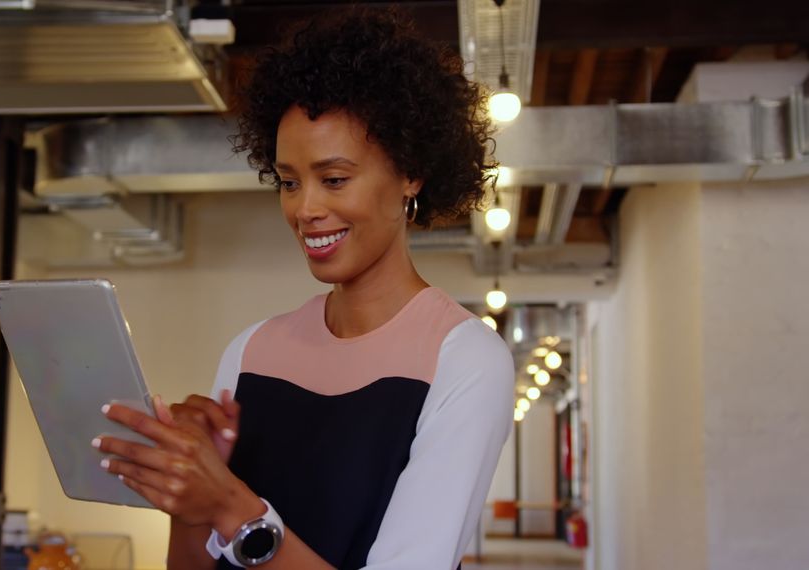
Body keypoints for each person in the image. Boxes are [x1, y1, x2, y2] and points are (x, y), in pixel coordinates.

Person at [93, 8, 515, 569]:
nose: (306, 209)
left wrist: (230, 505)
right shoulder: (251, 352)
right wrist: (187, 494)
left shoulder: (463, 360)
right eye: (289, 182)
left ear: (410, 172)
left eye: (334, 179)